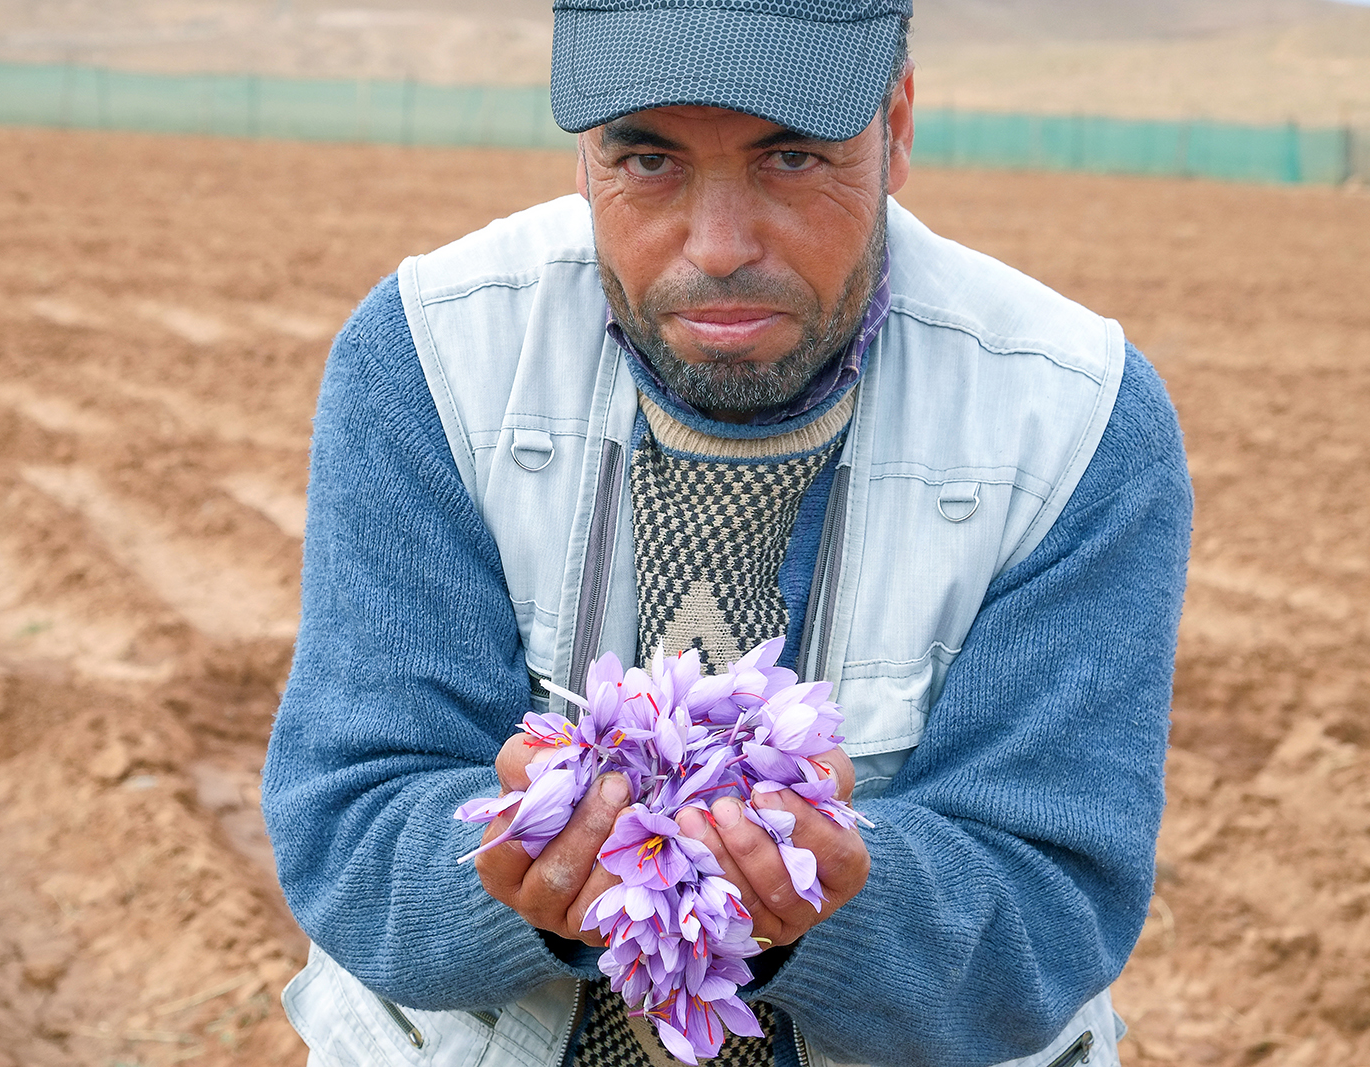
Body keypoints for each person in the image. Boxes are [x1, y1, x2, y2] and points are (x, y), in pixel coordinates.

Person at [261, 0, 1192, 1064]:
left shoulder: (1071, 418)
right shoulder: (432, 357)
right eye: (648, 159)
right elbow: (352, 832)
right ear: (584, 159)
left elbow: (1047, 909)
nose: (718, 247)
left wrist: (838, 898)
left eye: (790, 158)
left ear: (894, 128)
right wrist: (523, 875)